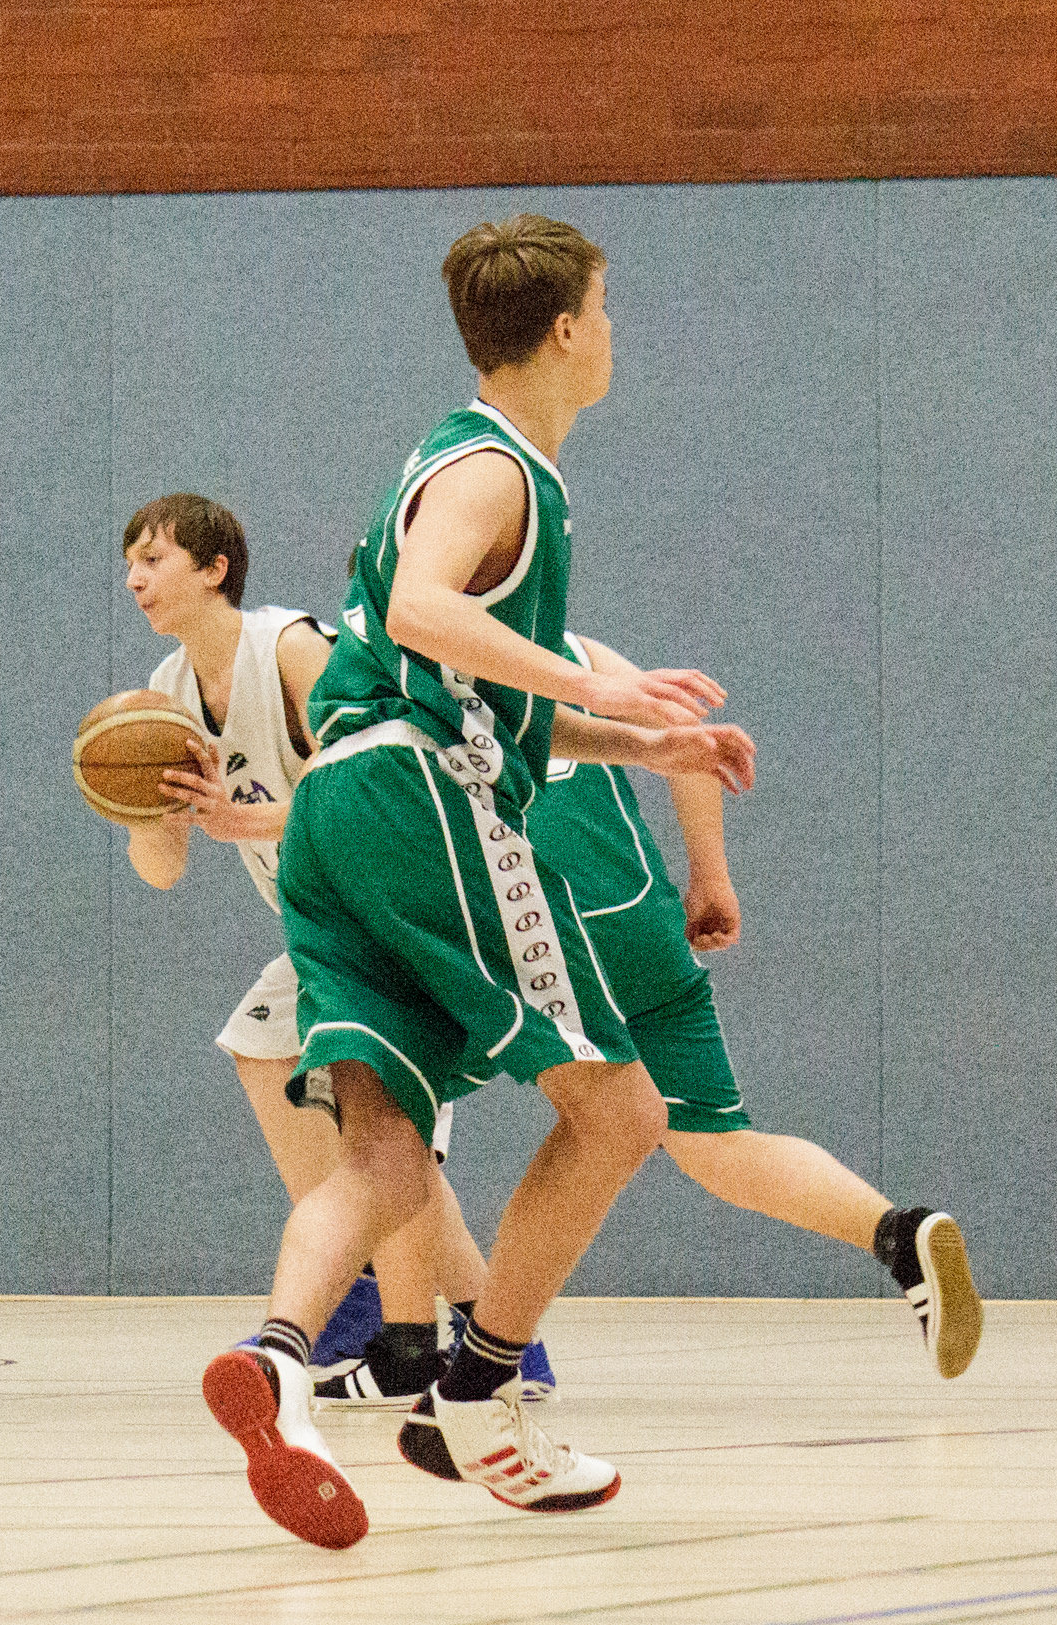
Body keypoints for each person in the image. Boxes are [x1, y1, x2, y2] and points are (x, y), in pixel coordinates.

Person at [200, 215, 754, 1548]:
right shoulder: (499, 467)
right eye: (604, 310)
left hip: (338, 806)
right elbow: (420, 615)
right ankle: (478, 1391)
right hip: (417, 802)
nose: (612, 333)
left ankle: (276, 1362)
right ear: (563, 329)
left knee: (386, 1157)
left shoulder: (455, 456)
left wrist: (633, 742)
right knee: (620, 1109)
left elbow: (456, 685)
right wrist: (600, 682)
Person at [117, 493, 544, 1406]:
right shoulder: (165, 693)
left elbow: (367, 771)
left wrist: (247, 818)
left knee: (379, 1143)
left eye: (153, 559)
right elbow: (161, 870)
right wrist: (141, 812)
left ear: (214, 569)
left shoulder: (288, 648)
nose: (134, 579)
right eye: (129, 564)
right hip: (329, 920)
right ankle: (412, 1312)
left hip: (402, 895)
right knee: (274, 1058)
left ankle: (428, 1329)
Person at [521, 636, 980, 1382]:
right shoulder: (578, 652)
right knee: (714, 1143)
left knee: (398, 1119)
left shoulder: (416, 658)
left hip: (532, 931)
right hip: (640, 922)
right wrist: (710, 877)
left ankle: (465, 1344)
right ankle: (898, 1233)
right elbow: (689, 743)